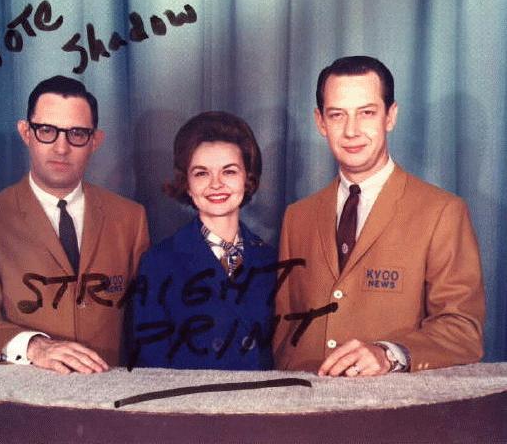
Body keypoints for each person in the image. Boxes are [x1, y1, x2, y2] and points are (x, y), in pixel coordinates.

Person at [273, 56, 485, 376]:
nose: (351, 131)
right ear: (320, 122)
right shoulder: (297, 217)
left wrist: (390, 354)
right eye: (337, 115)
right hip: (302, 407)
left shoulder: (442, 212)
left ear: (390, 116)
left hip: (390, 413)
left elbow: (462, 330)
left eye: (367, 113)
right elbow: (284, 330)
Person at [0, 75, 149, 374]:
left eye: (77, 133)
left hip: (111, 398)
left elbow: (145, 323)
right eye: (47, 131)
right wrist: (35, 347)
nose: (61, 147)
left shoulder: (130, 218)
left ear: (95, 141)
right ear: (26, 132)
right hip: (25, 404)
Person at [128, 111, 276, 370]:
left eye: (229, 172)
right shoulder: (158, 262)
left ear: (248, 179)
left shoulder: (271, 259)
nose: (216, 184)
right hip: (189, 404)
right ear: (186, 183)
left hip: (261, 404)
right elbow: (151, 361)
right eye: (201, 173)